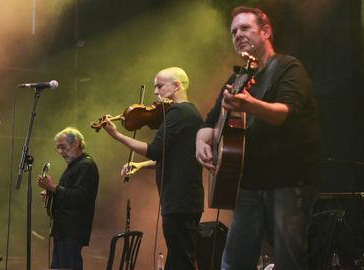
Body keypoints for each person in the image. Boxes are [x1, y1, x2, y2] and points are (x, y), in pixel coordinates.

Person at [195, 6, 322, 270]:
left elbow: (285, 113)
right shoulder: (238, 77)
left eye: (244, 28)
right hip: (249, 184)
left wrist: (249, 105)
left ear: (266, 31)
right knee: (233, 263)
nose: (237, 35)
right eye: (233, 32)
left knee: (289, 261)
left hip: (288, 181)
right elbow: (209, 123)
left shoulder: (287, 67)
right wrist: (201, 141)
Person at [101, 67, 204, 270]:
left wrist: (117, 136)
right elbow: (173, 158)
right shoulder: (189, 113)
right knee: (177, 259)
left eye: (159, 86)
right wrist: (140, 165)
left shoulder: (178, 113)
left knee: (182, 260)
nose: (155, 92)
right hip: (184, 199)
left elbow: (155, 150)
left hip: (179, 199)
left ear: (176, 86)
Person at [37, 127, 99, 270]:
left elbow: (80, 197)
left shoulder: (86, 166)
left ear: (76, 143)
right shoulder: (74, 166)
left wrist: (53, 188)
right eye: (58, 148)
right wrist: (51, 195)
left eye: (63, 147)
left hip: (72, 229)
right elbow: (69, 194)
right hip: (64, 229)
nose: (60, 152)